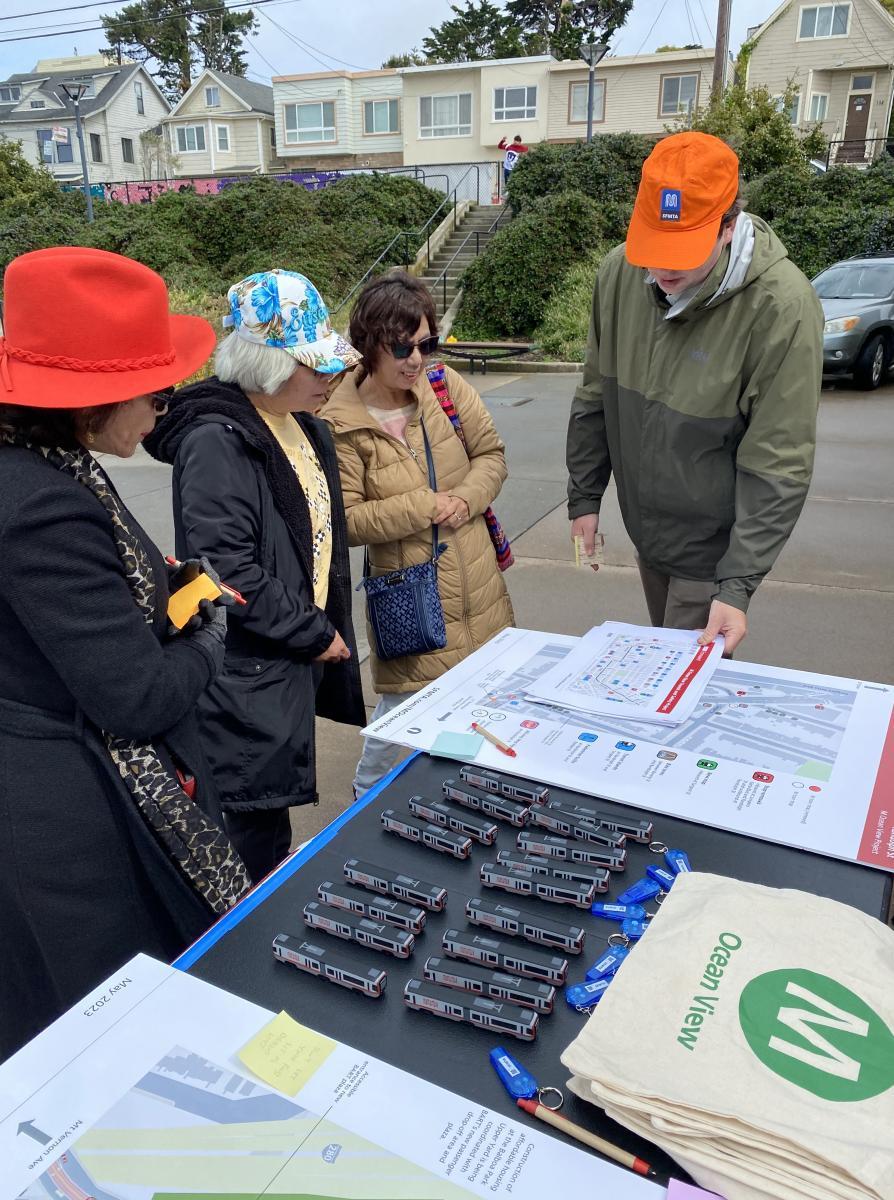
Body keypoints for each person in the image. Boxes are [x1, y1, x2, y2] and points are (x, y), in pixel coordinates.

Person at [0, 246, 249, 1060]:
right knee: (106, 1027)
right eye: (154, 390)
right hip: (68, 820)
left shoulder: (43, 462)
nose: (162, 411)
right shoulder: (40, 504)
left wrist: (172, 578)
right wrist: (208, 628)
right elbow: (138, 696)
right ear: (92, 397)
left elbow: (104, 579)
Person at [145, 270, 366, 883]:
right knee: (245, 838)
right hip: (245, 678)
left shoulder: (298, 423)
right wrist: (311, 631)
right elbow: (228, 569)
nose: (331, 379)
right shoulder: (217, 440)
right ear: (266, 364)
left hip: (277, 667)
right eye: (316, 366)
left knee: (268, 829)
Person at [566, 132, 823, 655]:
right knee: (662, 666)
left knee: (683, 690)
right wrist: (585, 496)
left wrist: (737, 586)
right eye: (652, 249)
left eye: (680, 254)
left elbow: (778, 460)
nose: (661, 271)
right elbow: (595, 395)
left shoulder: (783, 308)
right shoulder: (619, 274)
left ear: (728, 227)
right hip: (648, 535)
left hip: (711, 554)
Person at [324, 271, 514, 796]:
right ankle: (356, 832)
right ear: (368, 345)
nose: (416, 358)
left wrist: (465, 499)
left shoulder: (443, 386)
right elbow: (347, 520)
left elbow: (491, 456)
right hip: (413, 602)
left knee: (475, 723)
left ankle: (454, 810)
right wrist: (424, 507)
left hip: (480, 591)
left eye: (426, 343)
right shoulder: (339, 421)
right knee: (395, 732)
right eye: (402, 346)